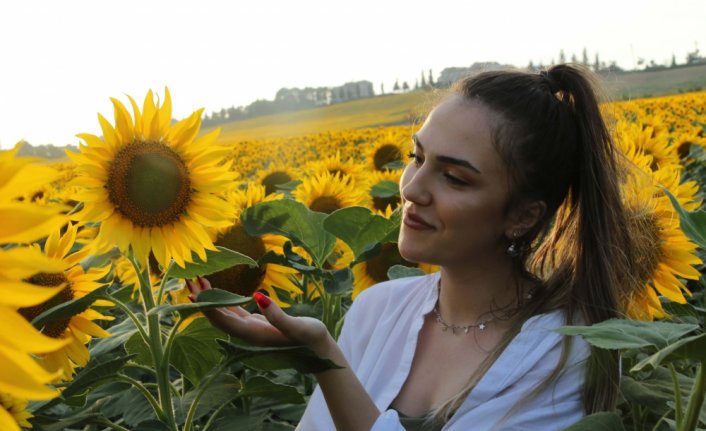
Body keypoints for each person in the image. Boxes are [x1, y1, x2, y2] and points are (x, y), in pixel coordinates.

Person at [186, 63, 637, 430]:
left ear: (524, 216)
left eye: (455, 178)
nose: (412, 189)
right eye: (416, 157)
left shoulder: (567, 350)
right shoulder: (375, 310)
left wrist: (325, 361)